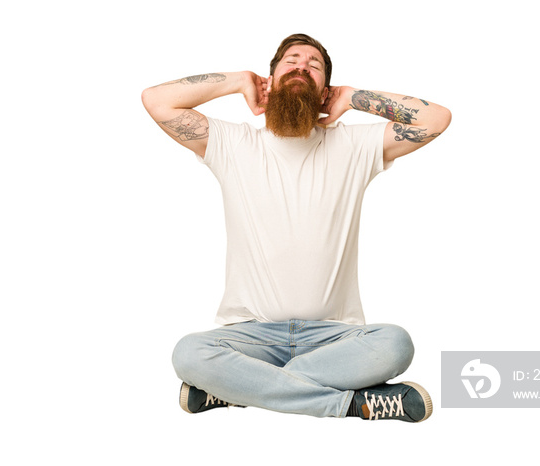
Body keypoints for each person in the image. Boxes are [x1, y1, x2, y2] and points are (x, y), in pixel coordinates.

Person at [142, 33, 451, 422]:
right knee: (190, 353)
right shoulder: (232, 144)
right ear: (269, 81)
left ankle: (238, 390)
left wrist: (353, 96)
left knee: (395, 344)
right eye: (291, 61)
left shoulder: (355, 146)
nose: (302, 66)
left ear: (325, 91)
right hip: (250, 336)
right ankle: (353, 404)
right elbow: (156, 100)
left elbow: (436, 119)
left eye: (314, 65)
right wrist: (239, 79)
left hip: (335, 339)